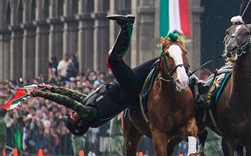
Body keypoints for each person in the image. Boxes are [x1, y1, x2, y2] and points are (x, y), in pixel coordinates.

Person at [28, 14, 158, 136]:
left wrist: (51, 88)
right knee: (114, 60)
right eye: (72, 117)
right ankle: (127, 26)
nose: (72, 113)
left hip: (124, 85)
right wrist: (42, 94)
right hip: (128, 89)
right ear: (79, 123)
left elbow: (71, 95)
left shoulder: (87, 104)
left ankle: (134, 29)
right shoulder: (90, 116)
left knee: (156, 62)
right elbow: (69, 102)